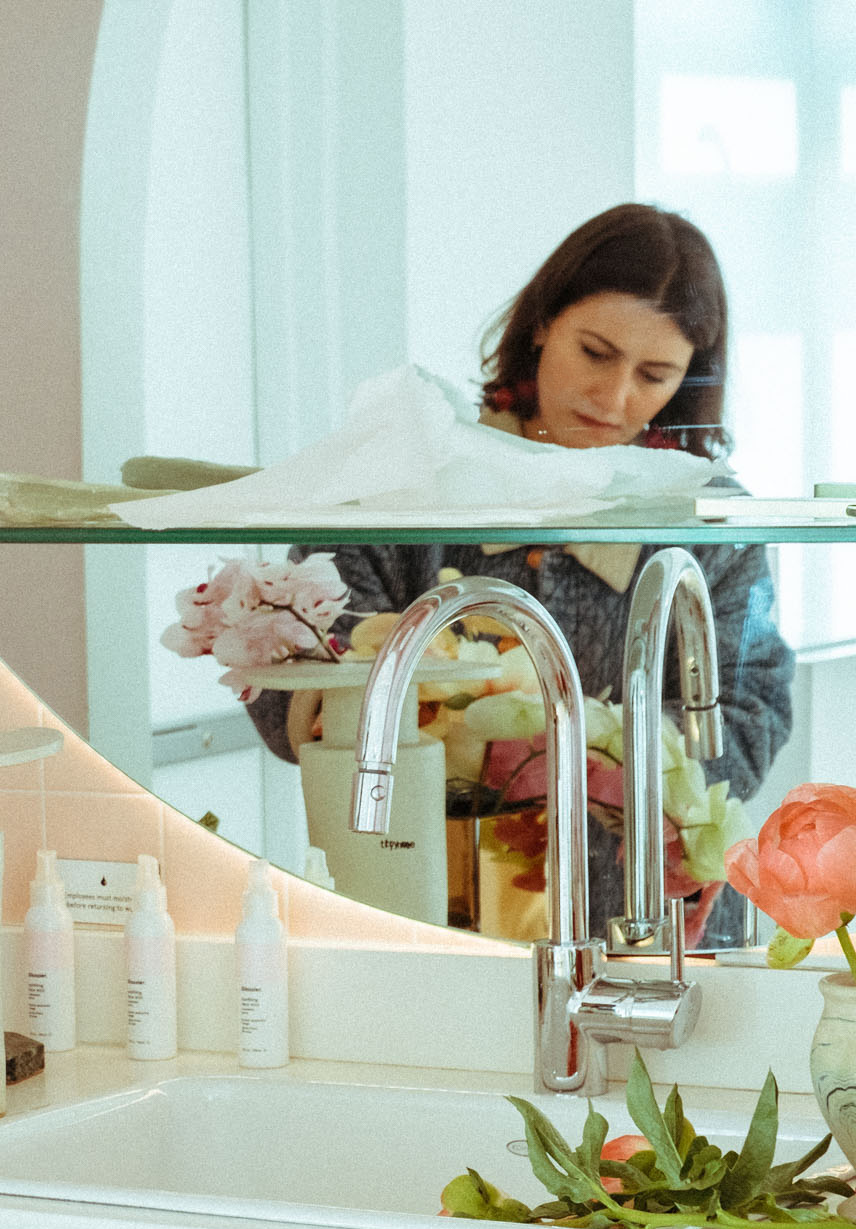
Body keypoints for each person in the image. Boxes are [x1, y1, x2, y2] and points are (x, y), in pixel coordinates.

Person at [247, 203, 793, 947]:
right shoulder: (419, 475)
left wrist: (562, 756)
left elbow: (752, 713)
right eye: (595, 351)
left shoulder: (708, 518)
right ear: (541, 322)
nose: (615, 397)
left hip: (654, 936)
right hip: (438, 918)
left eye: (654, 373)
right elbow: (299, 695)